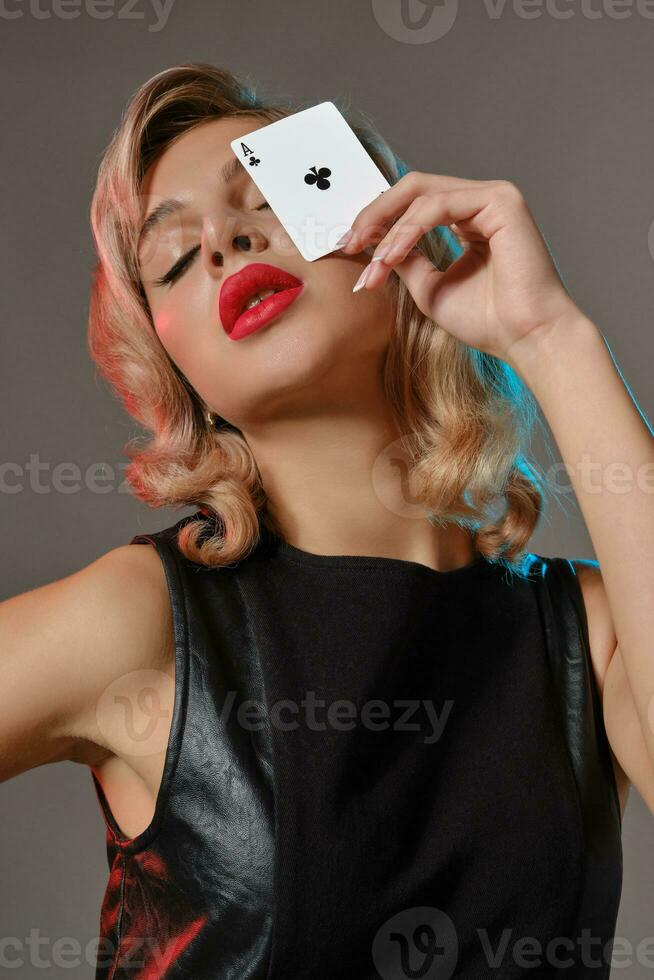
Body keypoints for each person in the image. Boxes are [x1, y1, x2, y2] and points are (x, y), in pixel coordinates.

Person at [2, 62, 652, 979]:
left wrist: (551, 338)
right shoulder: (142, 620)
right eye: (176, 259)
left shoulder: (586, 632)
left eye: (266, 197)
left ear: (395, 233)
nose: (225, 244)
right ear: (173, 366)